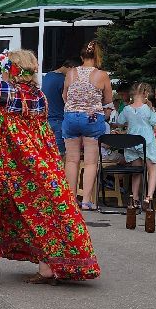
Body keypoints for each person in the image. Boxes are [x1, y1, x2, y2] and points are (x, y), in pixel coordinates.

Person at [0, 37, 99, 285]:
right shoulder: (38, 96)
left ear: (11, 71)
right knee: (39, 211)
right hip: (35, 167)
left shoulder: (12, 94)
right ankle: (47, 268)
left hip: (2, 167)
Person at [62, 41, 114, 210]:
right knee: (91, 161)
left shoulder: (70, 73)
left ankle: (70, 200)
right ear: (97, 57)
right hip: (91, 118)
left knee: (71, 159)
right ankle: (85, 201)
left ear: (81, 56)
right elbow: (107, 100)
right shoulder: (102, 75)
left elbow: (65, 95)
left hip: (70, 117)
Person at [111, 82, 156, 207]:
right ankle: (149, 197)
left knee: (136, 171)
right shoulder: (148, 109)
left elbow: (120, 121)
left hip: (132, 142)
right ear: (146, 94)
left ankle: (134, 198)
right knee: (152, 169)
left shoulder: (127, 109)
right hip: (146, 141)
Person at [41, 58, 75, 156]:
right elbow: (68, 101)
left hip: (46, 120)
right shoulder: (63, 80)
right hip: (59, 121)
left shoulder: (48, 76)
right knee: (59, 155)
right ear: (70, 68)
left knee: (48, 155)